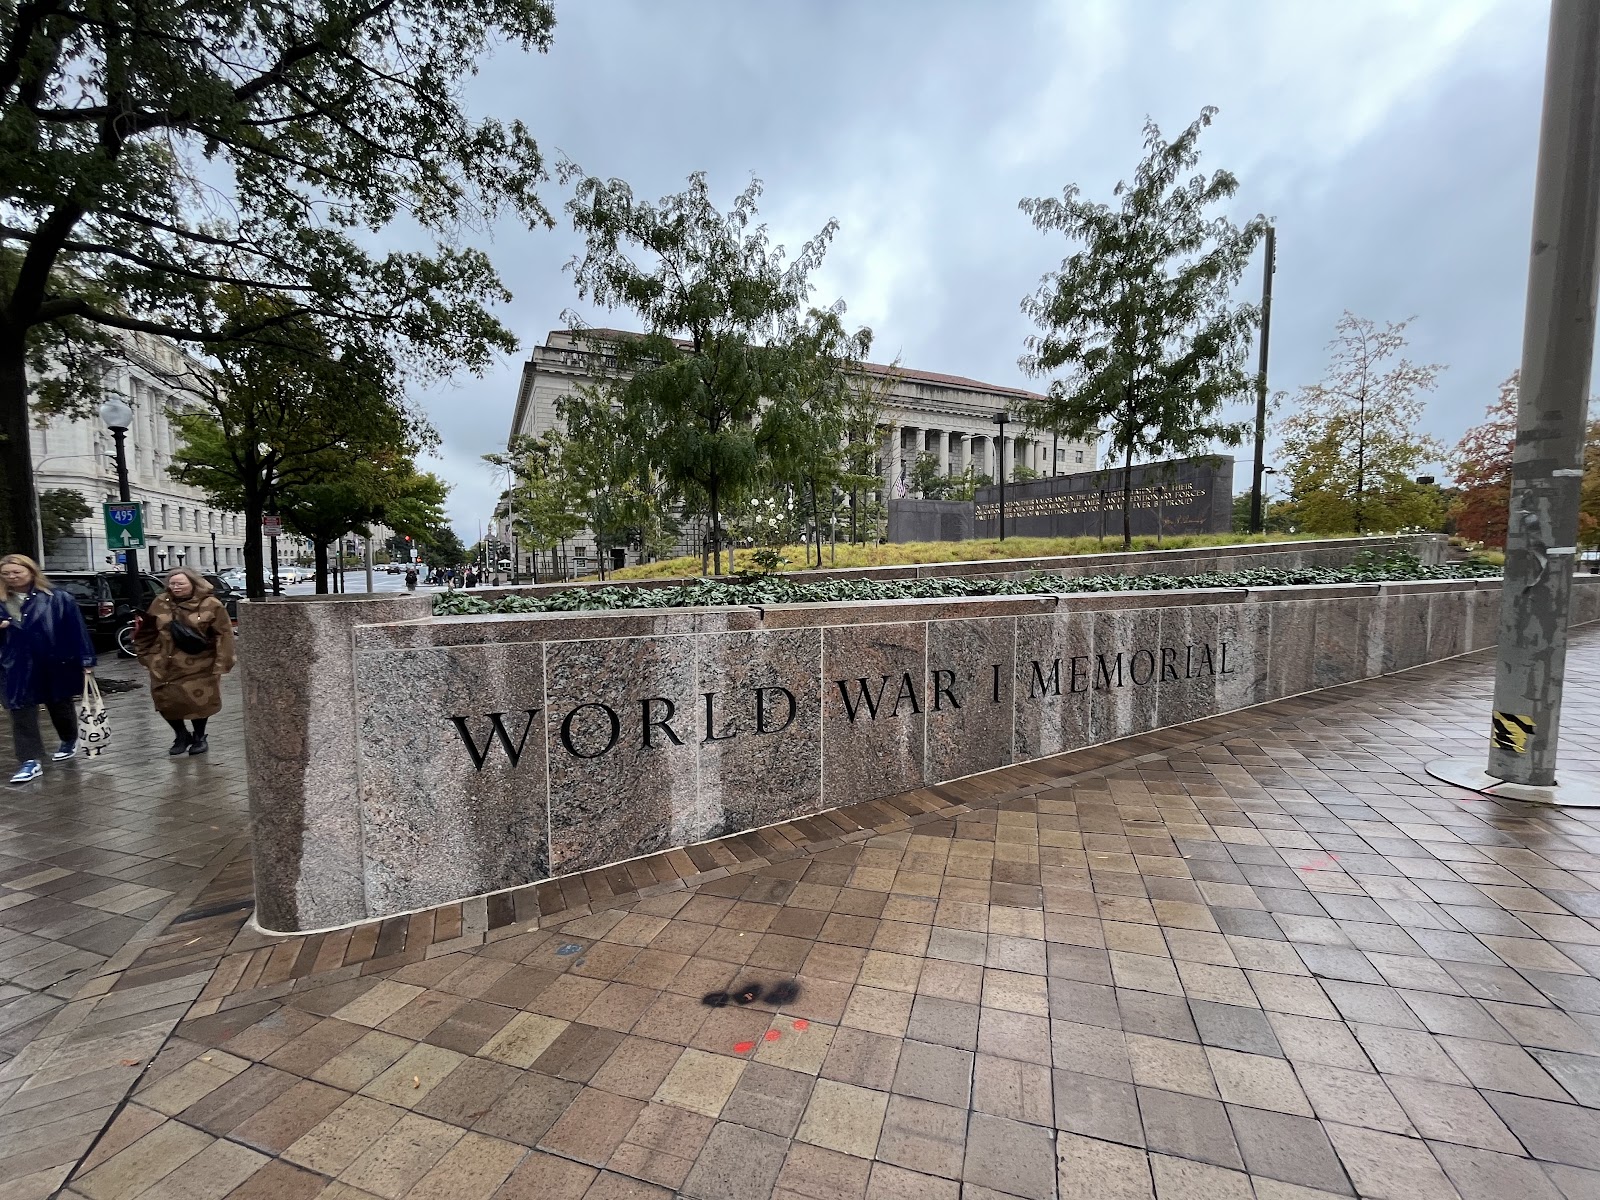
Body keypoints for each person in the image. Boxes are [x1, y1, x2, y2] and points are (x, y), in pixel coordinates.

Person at [0, 555, 96, 784]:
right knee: (20, 709)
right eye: (6, 574)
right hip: (13, 664)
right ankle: (30, 760)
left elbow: (76, 629)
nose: (12, 578)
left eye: (17, 572)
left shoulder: (58, 598)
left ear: (31, 572)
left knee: (59, 703)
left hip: (53, 660)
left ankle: (69, 738)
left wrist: (86, 659)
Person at [135, 566, 235, 756]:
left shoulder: (211, 604)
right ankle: (181, 734)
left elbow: (224, 634)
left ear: (192, 583)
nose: (175, 587)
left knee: (198, 702)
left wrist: (223, 663)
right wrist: (145, 655)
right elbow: (146, 631)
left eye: (180, 583)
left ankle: (199, 736)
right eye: (172, 583)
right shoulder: (160, 602)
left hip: (199, 663)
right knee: (165, 701)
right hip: (164, 662)